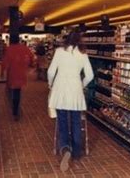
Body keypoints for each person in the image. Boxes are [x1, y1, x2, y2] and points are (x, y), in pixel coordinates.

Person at [47, 31, 94, 172]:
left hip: (60, 90)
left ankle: (65, 148)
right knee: (76, 121)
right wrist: (81, 84)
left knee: (62, 121)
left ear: (66, 40)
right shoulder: (83, 54)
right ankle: (76, 152)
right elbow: (90, 75)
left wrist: (50, 84)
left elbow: (50, 71)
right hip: (75, 91)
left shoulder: (59, 52)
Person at [1, 33, 35, 121]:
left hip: (12, 74)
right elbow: (32, 58)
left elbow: (4, 62)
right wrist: (30, 65)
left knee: (12, 92)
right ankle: (16, 110)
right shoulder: (24, 48)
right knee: (17, 92)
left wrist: (2, 72)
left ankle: (14, 109)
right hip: (21, 74)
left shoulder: (9, 49)